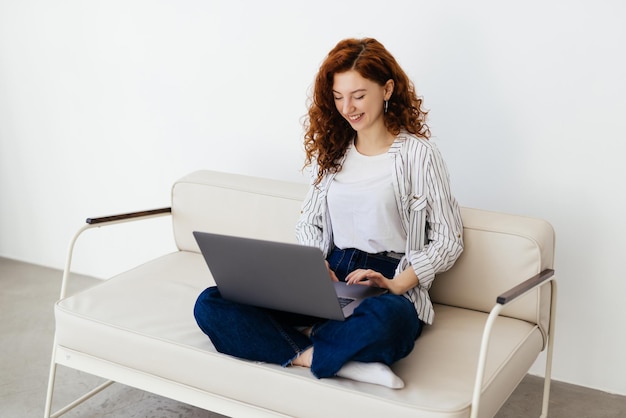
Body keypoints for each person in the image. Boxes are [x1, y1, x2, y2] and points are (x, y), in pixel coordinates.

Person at [194, 37, 463, 389]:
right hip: (328, 273)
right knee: (211, 302)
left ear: (387, 89)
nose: (348, 107)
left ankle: (303, 343)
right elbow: (309, 222)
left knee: (388, 323)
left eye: (358, 95)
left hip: (386, 278)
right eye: (338, 97)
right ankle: (322, 357)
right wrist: (315, 265)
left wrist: (399, 283)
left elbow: (448, 237)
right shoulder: (332, 154)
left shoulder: (419, 154)